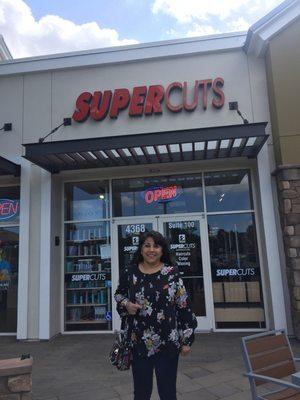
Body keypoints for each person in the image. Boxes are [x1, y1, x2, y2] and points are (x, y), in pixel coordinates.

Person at [114, 230, 197, 400]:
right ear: (141, 249)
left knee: (167, 393)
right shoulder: (130, 273)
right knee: (141, 393)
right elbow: (118, 294)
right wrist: (126, 304)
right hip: (139, 343)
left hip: (168, 343)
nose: (151, 250)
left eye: (156, 246)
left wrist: (186, 340)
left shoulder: (172, 273)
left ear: (162, 250)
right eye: (147, 245)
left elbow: (184, 306)